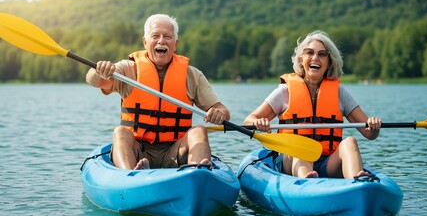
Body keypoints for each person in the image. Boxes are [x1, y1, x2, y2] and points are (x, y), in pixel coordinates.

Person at [86, 14, 230, 170]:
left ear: (175, 44)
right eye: (155, 36)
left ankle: (197, 174)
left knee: (198, 131)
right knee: (120, 132)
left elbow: (223, 111)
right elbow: (95, 81)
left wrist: (218, 113)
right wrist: (98, 71)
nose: (161, 40)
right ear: (145, 42)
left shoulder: (192, 75)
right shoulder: (127, 69)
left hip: (176, 151)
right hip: (138, 151)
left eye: (167, 36)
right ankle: (131, 176)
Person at [243, 30, 381, 179]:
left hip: (327, 163)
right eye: (310, 53)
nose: (315, 58)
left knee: (350, 141)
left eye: (322, 54)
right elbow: (248, 120)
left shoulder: (339, 93)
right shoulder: (285, 91)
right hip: (292, 160)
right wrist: (258, 122)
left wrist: (373, 126)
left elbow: (369, 133)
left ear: (329, 62)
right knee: (303, 147)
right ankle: (307, 181)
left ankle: (359, 181)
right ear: (301, 59)